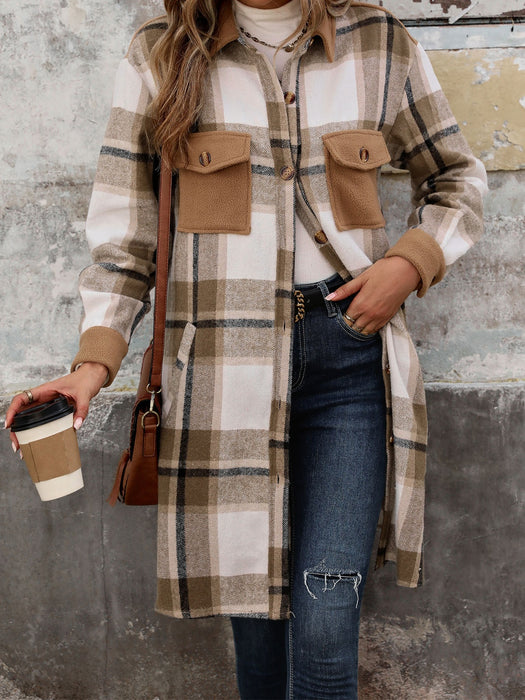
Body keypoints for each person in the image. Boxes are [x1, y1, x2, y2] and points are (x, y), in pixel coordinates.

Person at [7, 0, 487, 696]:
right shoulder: (162, 51)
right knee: (257, 631)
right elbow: (126, 240)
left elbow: (457, 178)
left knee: (327, 619)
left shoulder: (379, 42)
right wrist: (92, 365)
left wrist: (408, 265)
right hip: (222, 375)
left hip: (347, 361)